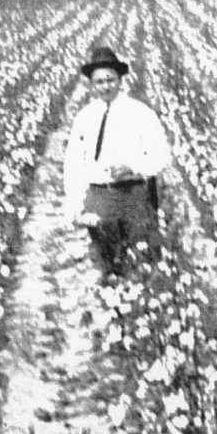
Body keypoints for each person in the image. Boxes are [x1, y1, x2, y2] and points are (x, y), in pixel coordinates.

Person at [64, 44, 172, 278]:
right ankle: (114, 308)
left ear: (120, 79)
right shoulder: (84, 118)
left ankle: (143, 307)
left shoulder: (140, 113)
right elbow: (73, 164)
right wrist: (74, 206)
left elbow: (161, 154)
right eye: (99, 81)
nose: (105, 86)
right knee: (106, 262)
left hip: (135, 195)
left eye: (110, 79)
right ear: (91, 85)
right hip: (99, 198)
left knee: (141, 261)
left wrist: (134, 168)